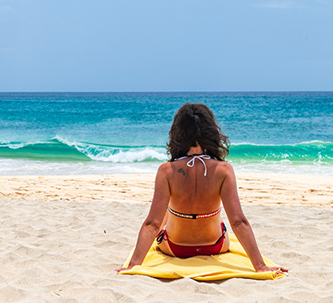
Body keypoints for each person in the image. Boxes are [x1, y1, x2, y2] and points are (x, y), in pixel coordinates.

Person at [116, 103, 287, 274]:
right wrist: (260, 266)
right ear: (211, 132)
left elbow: (152, 224)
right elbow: (238, 222)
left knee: (166, 214)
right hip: (216, 246)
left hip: (175, 248)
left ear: (178, 134)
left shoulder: (166, 171)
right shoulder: (224, 170)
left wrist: (133, 265)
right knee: (219, 219)